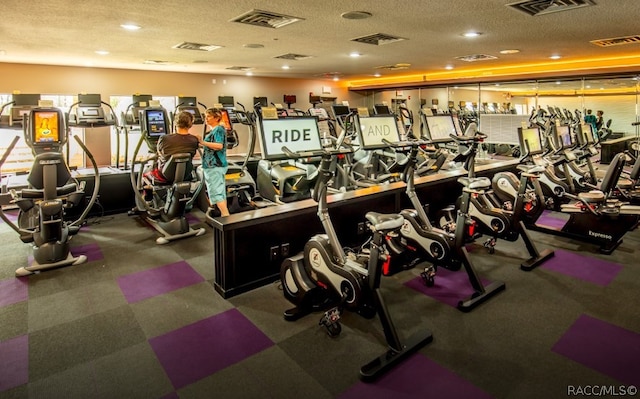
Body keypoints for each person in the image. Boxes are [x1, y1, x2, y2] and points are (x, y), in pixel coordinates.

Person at [144, 110, 200, 183]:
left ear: (175, 123)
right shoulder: (194, 139)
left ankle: (146, 193)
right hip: (186, 174)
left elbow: (159, 153)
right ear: (191, 124)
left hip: (165, 173)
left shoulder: (164, 138)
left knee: (146, 172)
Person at [200, 108, 229, 217]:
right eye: (205, 116)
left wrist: (203, 142)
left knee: (216, 192)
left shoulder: (218, 130)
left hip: (214, 165)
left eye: (208, 116)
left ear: (216, 118)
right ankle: (224, 215)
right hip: (215, 165)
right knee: (220, 192)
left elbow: (219, 145)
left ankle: (225, 215)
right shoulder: (215, 130)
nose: (206, 119)